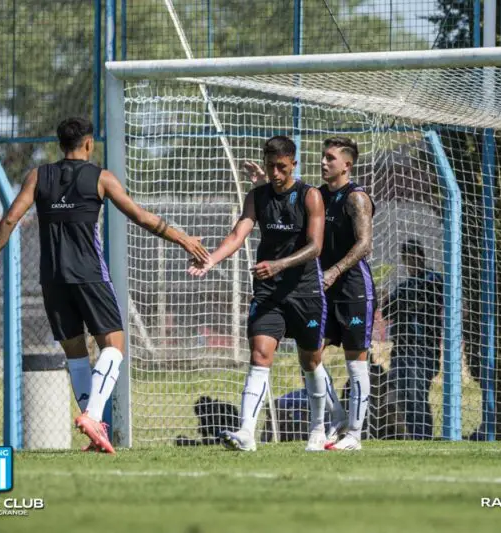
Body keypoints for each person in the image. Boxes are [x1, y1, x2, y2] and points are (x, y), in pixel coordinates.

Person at [0, 116, 209, 454]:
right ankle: (94, 417)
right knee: (114, 346)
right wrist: (185, 240)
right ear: (88, 144)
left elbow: (11, 218)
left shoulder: (38, 176)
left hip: (52, 279)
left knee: (76, 355)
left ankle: (94, 431)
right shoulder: (101, 178)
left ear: (60, 144)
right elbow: (141, 217)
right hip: (89, 276)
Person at [188, 135, 328, 452]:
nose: (276, 174)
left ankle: (319, 429)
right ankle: (247, 434)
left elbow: (315, 247)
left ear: (293, 163)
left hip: (305, 293)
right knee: (260, 355)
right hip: (269, 294)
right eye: (270, 167)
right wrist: (211, 259)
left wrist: (279, 265)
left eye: (281, 167)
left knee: (311, 361)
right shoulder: (257, 196)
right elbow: (239, 233)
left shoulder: (311, 196)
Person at [317, 137, 375, 451]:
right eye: (323, 157)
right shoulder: (316, 196)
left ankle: (354, 434)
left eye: (330, 158)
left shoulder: (357, 199)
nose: (324, 163)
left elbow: (365, 245)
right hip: (324, 289)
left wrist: (335, 270)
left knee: (356, 363)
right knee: (309, 355)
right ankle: (337, 416)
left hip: (353, 288)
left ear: (347, 164)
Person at [380, 239, 442, 440]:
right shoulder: (404, 286)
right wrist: (394, 300)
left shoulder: (434, 279)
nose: (411, 262)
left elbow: (425, 298)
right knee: (400, 393)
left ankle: (422, 437)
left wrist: (402, 302)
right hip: (401, 348)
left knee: (416, 394)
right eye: (407, 259)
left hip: (423, 348)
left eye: (414, 257)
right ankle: (406, 436)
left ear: (421, 257)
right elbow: (388, 311)